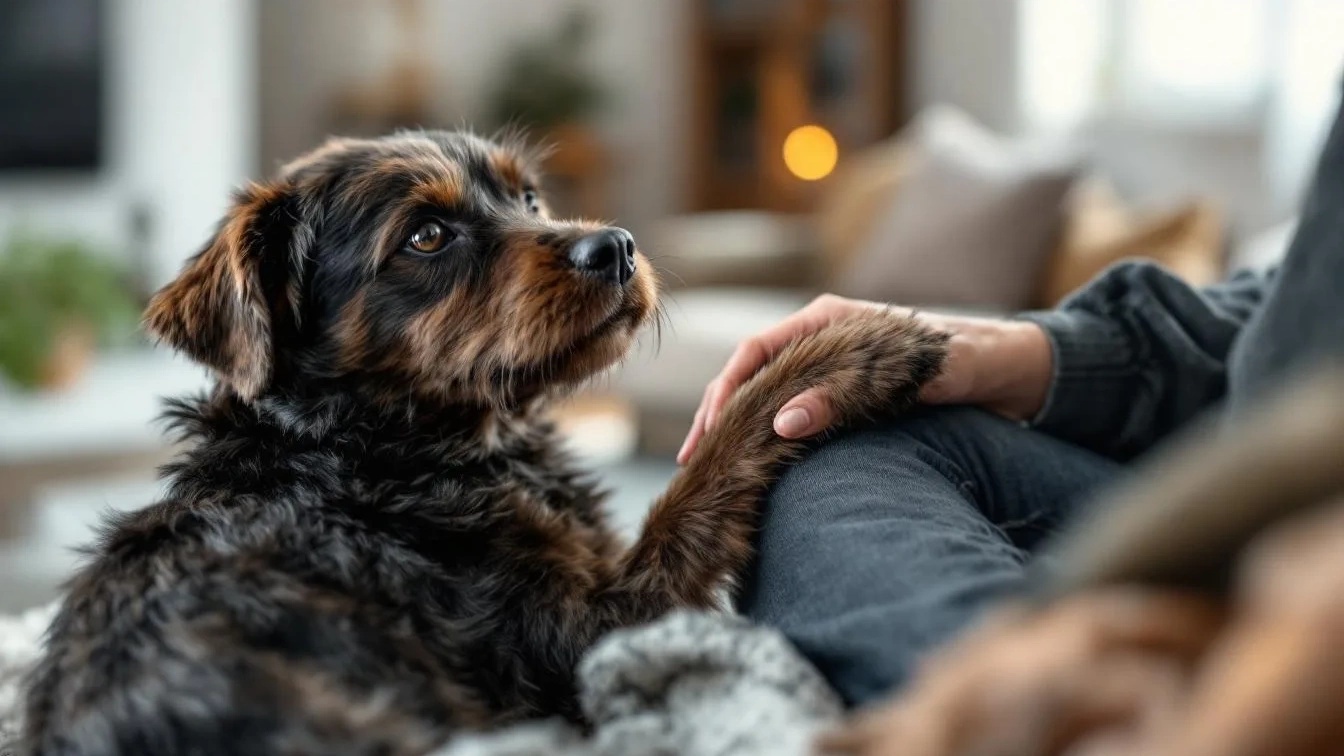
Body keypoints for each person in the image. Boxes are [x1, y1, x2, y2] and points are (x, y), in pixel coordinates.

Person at [676, 87, 1344, 707]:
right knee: (817, 442)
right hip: (1226, 471)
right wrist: (974, 350)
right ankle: (1052, 698)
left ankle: (1039, 705)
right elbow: (1285, 315)